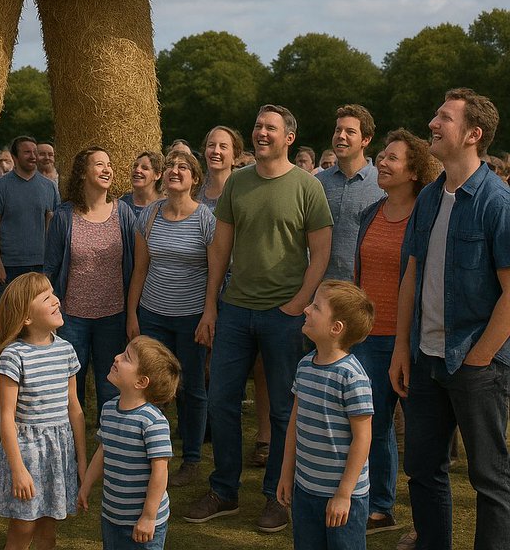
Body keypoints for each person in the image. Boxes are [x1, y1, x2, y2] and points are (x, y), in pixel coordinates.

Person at [188, 104, 333, 534]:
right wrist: (212, 305)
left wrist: (298, 304)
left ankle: (278, 496)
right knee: (222, 402)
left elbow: (320, 253)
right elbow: (220, 250)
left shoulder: (308, 187)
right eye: (257, 126)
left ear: (289, 136)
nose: (261, 133)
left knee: (285, 410)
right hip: (235, 311)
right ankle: (224, 491)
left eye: (270, 128)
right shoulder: (238, 183)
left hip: (284, 316)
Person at [390, 88, 510, 550]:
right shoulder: (429, 198)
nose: (433, 124)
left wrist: (479, 358)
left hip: (476, 364)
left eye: (445, 117)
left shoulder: (496, 202)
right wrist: (403, 347)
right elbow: (411, 277)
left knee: (489, 479)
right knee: (423, 469)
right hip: (425, 359)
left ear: (473, 135)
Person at [353, 129, 440, 535]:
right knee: (373, 420)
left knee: (418, 429)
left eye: (392, 158)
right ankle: (378, 505)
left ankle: (399, 509)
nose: (381, 163)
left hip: (411, 338)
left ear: (414, 170)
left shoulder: (428, 215)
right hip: (367, 335)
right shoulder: (370, 213)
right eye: (382, 155)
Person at [127, 147, 215, 488]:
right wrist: (133, 314)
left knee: (192, 389)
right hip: (153, 314)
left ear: (195, 179)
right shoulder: (148, 215)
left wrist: (209, 313)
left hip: (191, 317)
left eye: (184, 167)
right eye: (171, 166)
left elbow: (214, 272)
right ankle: (151, 453)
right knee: (149, 386)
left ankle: (191, 459)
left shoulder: (206, 218)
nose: (176, 171)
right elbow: (140, 269)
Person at [0, 273, 87, 550]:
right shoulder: (13, 356)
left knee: (48, 530)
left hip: (58, 453)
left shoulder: (66, 350)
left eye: (54, 294)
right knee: (22, 528)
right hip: (27, 454)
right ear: (26, 318)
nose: (56, 300)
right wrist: (17, 469)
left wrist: (81, 459)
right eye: (46, 298)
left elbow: (74, 407)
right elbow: (6, 417)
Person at [277, 281, 375, 550]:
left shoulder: (352, 377)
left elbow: (362, 439)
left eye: (316, 307)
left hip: (344, 498)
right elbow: (294, 425)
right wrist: (287, 474)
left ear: (336, 328)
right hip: (305, 489)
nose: (306, 309)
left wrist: (344, 494)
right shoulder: (305, 366)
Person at [44, 147, 136, 413]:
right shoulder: (65, 216)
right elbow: (50, 268)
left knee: (110, 386)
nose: (107, 169)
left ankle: (110, 444)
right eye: (99, 164)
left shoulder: (124, 213)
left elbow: (135, 264)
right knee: (72, 386)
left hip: (113, 315)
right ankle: (73, 445)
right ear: (83, 173)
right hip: (72, 317)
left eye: (109, 164)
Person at [78, 335, 180, 550]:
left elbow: (160, 472)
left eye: (126, 358)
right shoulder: (109, 408)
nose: (116, 357)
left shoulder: (153, 422)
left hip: (143, 523)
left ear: (141, 382)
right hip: (112, 516)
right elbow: (103, 451)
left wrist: (149, 517)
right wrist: (86, 485)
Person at [0, 135, 60, 289]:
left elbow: (52, 228)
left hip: (40, 266)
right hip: (9, 266)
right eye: (26, 152)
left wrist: (51, 265)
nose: (32, 156)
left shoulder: (49, 187)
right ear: (14, 157)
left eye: (34, 152)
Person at [318, 106, 384, 281]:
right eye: (338, 130)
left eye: (350, 132)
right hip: (321, 288)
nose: (341, 136)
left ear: (366, 140)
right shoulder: (317, 183)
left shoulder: (382, 184)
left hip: (364, 290)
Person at [197, 126, 240, 212]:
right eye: (211, 145)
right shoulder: (193, 190)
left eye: (223, 146)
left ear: (234, 158)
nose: (216, 151)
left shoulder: (242, 191)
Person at [119, 152, 164, 216]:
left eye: (145, 168)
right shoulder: (122, 204)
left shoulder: (166, 206)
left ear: (157, 175)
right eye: (135, 166)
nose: (137, 170)